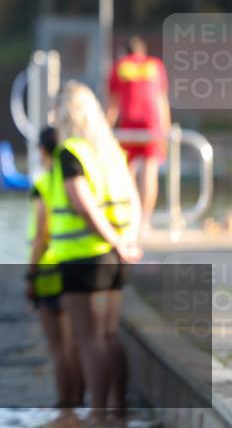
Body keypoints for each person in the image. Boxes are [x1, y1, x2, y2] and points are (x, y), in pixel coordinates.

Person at [49, 81, 142, 424]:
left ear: (68, 113)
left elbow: (84, 204)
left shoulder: (70, 152)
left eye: (58, 108)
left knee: (88, 339)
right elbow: (133, 197)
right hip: (115, 257)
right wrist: (127, 239)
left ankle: (99, 415)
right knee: (109, 336)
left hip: (84, 258)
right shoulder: (110, 150)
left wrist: (115, 241)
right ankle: (118, 409)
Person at [26, 126, 83, 425]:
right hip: (72, 262)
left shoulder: (44, 182)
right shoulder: (75, 176)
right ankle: (79, 403)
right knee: (75, 341)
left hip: (48, 271)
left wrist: (29, 275)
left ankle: (65, 405)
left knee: (58, 345)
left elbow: (40, 232)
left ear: (43, 151)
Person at [106, 35, 170, 234]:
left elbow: (113, 105)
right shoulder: (155, 65)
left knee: (127, 173)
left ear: (125, 52)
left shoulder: (119, 66)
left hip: (129, 125)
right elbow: (161, 101)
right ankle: (144, 222)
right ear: (142, 51)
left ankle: (128, 218)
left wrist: (105, 131)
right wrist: (165, 130)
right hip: (152, 125)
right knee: (150, 173)